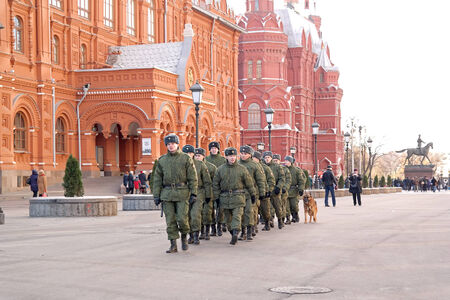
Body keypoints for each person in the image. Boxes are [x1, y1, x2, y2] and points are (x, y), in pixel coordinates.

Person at [152, 134, 198, 253]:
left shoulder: (185, 158)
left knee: (183, 219)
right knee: (170, 220)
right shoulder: (162, 160)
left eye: (173, 144)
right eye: (168, 144)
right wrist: (156, 195)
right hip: (167, 194)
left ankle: (184, 237)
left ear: (177, 144)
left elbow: (193, 177)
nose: (171, 146)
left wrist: (194, 193)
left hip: (182, 193)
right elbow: (157, 179)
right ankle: (173, 244)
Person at [212, 147, 256, 245]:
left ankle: (236, 232)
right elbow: (215, 185)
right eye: (230, 156)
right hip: (225, 197)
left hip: (238, 196)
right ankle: (233, 233)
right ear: (226, 157)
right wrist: (216, 197)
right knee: (228, 219)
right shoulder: (220, 169)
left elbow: (249, 183)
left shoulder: (242, 169)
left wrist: (252, 194)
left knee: (237, 216)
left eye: (234, 156)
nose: (232, 158)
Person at [182, 145, 211, 245]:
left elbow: (207, 181)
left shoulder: (200, 164)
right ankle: (190, 235)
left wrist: (208, 195)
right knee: (186, 215)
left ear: (193, 154)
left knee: (195, 214)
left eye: (190, 153)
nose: (188, 155)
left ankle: (196, 235)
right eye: (186, 154)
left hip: (199, 192)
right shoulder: (180, 165)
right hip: (184, 192)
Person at [238, 145, 265, 241]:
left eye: (245, 154)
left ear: (250, 155)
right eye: (242, 153)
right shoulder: (237, 164)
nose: (243, 155)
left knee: (249, 212)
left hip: (251, 192)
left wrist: (262, 193)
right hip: (239, 193)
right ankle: (243, 231)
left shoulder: (254, 165)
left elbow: (260, 180)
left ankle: (249, 231)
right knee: (240, 213)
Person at [195, 147, 217, 240]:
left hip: (208, 192)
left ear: (203, 156)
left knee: (207, 212)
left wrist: (213, 194)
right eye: (195, 156)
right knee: (198, 213)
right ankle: (202, 231)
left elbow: (215, 181)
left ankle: (208, 230)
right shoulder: (193, 166)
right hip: (197, 192)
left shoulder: (211, 167)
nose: (197, 157)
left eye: (199, 156)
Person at [206, 141, 227, 236]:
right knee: (210, 209)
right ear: (209, 149)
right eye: (212, 148)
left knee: (220, 208)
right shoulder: (206, 159)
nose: (214, 150)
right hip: (210, 187)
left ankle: (220, 226)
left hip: (220, 187)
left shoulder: (223, 160)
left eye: (215, 148)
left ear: (218, 149)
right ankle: (213, 227)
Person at [252, 151, 275, 231]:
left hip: (264, 192)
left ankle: (267, 222)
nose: (253, 159)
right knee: (253, 210)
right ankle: (254, 226)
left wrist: (269, 190)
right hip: (254, 192)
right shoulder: (250, 167)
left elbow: (271, 181)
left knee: (265, 210)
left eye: (254, 158)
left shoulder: (265, 168)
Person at [263, 151, 285, 229]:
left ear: (271, 158)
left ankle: (280, 220)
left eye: (268, 157)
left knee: (278, 207)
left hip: (275, 190)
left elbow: (282, 178)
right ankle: (268, 223)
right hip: (266, 190)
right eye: (265, 158)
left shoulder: (277, 167)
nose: (267, 159)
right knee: (266, 208)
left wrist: (278, 187)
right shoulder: (262, 167)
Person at [284, 156, 306, 223]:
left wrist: (301, 189)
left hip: (294, 190)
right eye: (285, 161)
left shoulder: (296, 170)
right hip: (285, 190)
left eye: (287, 161)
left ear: (291, 162)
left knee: (294, 205)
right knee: (286, 206)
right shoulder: (283, 169)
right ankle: (287, 218)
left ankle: (295, 216)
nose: (285, 162)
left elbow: (301, 180)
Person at [273, 154, 291, 225]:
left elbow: (288, 180)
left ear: (279, 161)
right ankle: (271, 219)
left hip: (283, 191)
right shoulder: (270, 168)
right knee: (272, 206)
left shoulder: (284, 169)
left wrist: (285, 188)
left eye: (276, 161)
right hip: (274, 191)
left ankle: (283, 219)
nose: (275, 162)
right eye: (274, 160)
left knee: (282, 205)